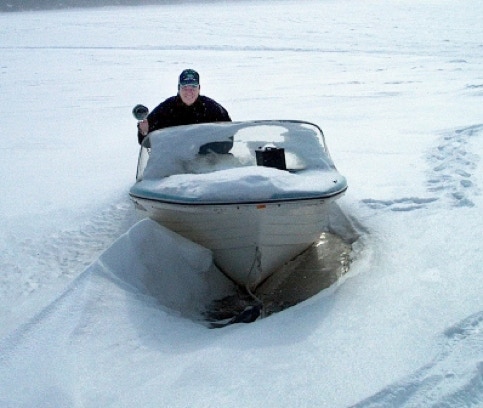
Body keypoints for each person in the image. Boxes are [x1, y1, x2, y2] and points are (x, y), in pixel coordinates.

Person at [137, 69, 231, 145]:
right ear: (178, 88)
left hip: (205, 162)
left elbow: (228, 138)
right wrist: (144, 132)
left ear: (199, 89)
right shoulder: (165, 109)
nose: (189, 92)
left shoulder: (213, 108)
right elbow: (146, 141)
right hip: (174, 162)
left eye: (193, 87)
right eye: (185, 87)